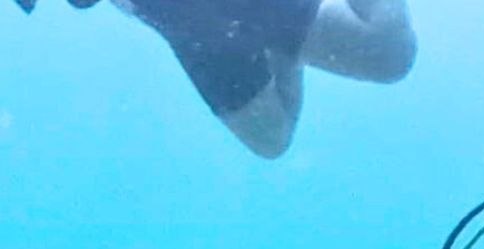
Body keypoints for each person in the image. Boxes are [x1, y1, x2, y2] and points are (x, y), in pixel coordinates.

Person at [42, 0, 416, 158]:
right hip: (178, 19)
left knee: (388, 55)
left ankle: (283, 38)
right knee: (271, 141)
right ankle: (283, 44)